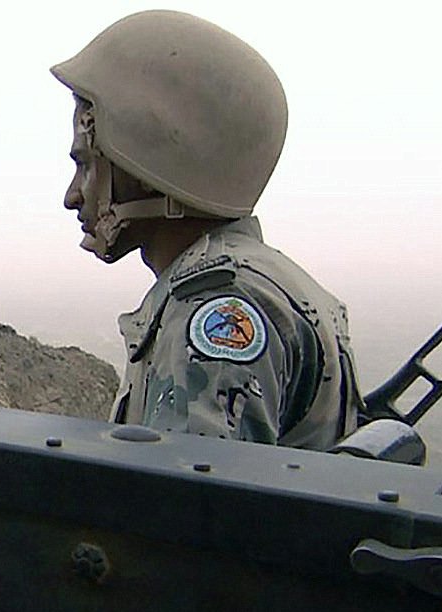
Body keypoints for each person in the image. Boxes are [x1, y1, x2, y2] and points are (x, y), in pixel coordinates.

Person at [51, 9, 362, 450]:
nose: (73, 196)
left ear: (147, 165)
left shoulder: (214, 307)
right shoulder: (270, 281)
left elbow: (188, 507)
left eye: (87, 165)